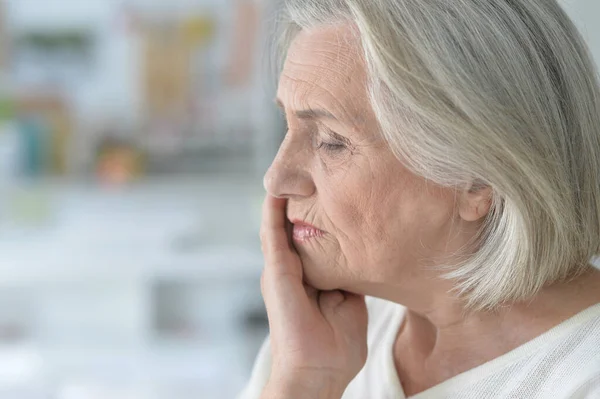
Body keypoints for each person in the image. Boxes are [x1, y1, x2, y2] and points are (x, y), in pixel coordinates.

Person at [239, 0, 600, 398]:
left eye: (331, 142)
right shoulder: (319, 338)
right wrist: (306, 380)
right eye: (286, 128)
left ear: (476, 178)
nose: (276, 178)